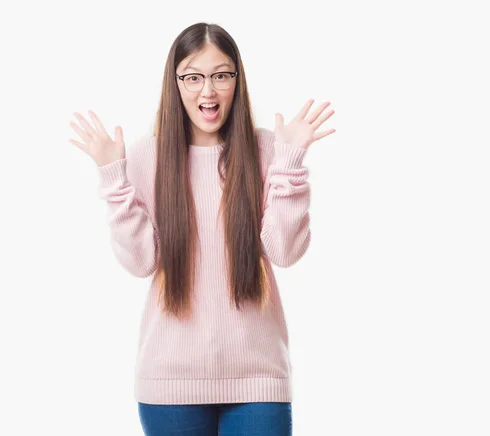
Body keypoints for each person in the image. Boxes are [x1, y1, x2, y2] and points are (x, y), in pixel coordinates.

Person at [68, 22, 335, 435]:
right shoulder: (148, 156)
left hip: (257, 378)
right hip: (170, 384)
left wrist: (290, 163)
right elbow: (140, 263)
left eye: (220, 75)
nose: (207, 91)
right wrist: (113, 178)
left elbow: (285, 251)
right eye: (193, 77)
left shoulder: (267, 151)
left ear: (236, 80)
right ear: (175, 83)